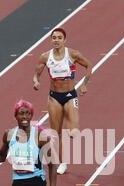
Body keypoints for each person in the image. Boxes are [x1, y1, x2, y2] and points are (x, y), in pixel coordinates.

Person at [33, 27, 93, 175]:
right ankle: (63, 162)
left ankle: (73, 130)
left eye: (59, 38)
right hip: (54, 97)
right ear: (51, 40)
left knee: (73, 132)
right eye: (54, 38)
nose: (56, 40)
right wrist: (36, 82)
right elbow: (37, 74)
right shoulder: (45, 57)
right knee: (56, 133)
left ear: (64, 40)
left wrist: (84, 84)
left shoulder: (72, 54)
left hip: (70, 96)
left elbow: (89, 66)